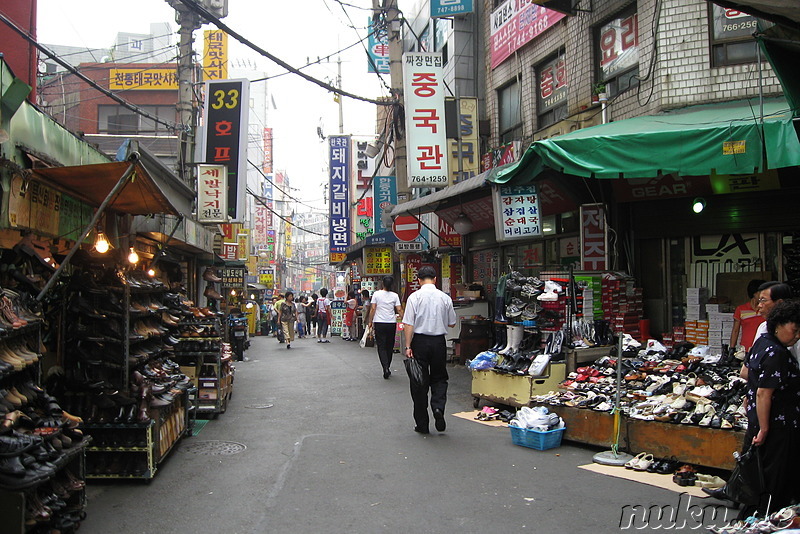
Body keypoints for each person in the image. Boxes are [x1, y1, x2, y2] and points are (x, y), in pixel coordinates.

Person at [740, 299, 800, 514]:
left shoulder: (762, 342)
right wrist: (765, 429)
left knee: (762, 476)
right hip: (776, 424)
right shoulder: (778, 353)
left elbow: (747, 374)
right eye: (794, 330)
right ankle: (764, 519)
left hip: (760, 419)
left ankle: (755, 516)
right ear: (780, 324)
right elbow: (764, 392)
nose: (797, 336)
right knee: (773, 478)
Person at [402, 266, 457, 434]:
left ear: (418, 280)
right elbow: (452, 322)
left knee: (419, 381)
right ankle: (438, 408)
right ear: (435, 279)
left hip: (419, 342)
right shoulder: (444, 297)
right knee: (440, 378)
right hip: (439, 342)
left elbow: (408, 324)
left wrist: (408, 346)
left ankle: (422, 424)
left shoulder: (414, 297)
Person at [369, 276, 402, 379]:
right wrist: (405, 320)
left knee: (381, 346)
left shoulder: (376, 294)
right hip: (391, 323)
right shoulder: (395, 296)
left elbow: (373, 308)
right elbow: (399, 309)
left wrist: (370, 321)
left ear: (382, 283)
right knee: (389, 345)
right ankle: (388, 366)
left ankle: (385, 367)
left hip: (379, 323)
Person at [729, 279, 767, 352]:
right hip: (745, 349)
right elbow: (735, 331)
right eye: (762, 292)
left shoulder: (766, 309)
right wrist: (732, 348)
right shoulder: (741, 309)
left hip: (763, 348)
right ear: (755, 293)